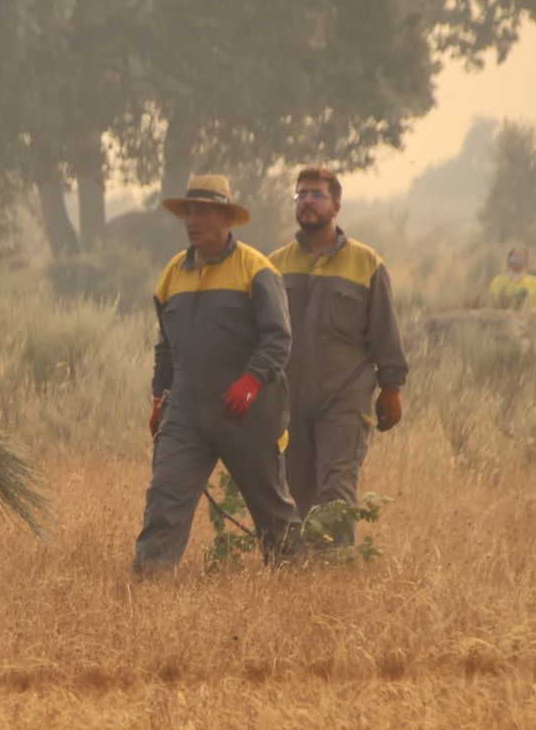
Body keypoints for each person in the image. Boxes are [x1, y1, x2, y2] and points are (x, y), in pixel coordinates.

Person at [134, 174, 301, 573]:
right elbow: (165, 346)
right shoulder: (172, 274)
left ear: (226, 217)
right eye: (188, 213)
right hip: (186, 411)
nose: (192, 221)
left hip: (246, 411)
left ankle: (293, 577)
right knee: (165, 496)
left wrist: (252, 381)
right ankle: (149, 582)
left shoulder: (256, 270)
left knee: (271, 507)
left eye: (202, 212)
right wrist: (159, 397)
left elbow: (278, 338)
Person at [268, 166, 408, 546]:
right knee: (293, 489)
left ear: (336, 206)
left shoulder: (366, 263)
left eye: (317, 194)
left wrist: (391, 388)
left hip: (344, 396)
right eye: (301, 194)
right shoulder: (275, 264)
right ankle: (297, 565)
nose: (307, 201)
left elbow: (385, 330)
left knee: (336, 485)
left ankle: (334, 566)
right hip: (288, 398)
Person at [489, 247, 536, 311]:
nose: (517, 263)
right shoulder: (499, 281)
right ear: (508, 262)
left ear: (527, 262)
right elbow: (493, 302)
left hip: (532, 317)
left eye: (520, 260)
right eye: (514, 259)